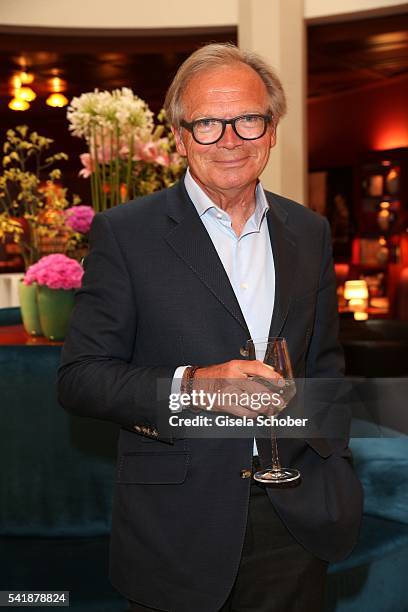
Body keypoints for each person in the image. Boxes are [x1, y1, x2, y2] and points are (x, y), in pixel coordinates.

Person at [58, 43, 363, 612]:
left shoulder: (310, 231)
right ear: (179, 136)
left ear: (272, 130)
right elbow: (80, 378)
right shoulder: (127, 234)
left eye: (247, 119)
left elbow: (324, 366)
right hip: (178, 526)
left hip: (296, 517)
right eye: (206, 123)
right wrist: (196, 384)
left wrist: (333, 464)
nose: (229, 139)